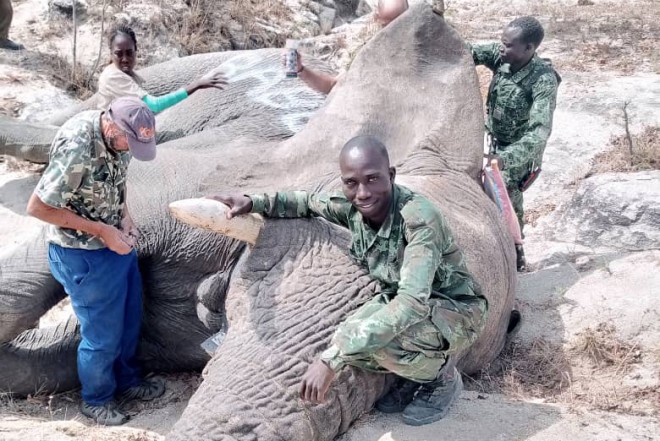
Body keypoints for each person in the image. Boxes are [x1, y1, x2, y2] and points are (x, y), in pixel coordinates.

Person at [208, 135, 487, 426]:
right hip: (401, 300)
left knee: (371, 344)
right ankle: (414, 373)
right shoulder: (353, 208)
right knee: (352, 334)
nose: (363, 193)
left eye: (372, 179)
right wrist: (254, 201)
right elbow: (306, 203)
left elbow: (411, 304)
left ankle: (441, 378)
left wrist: (332, 359)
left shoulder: (418, 220)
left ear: (390, 176)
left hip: (454, 308)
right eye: (351, 183)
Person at [26, 97, 164, 426]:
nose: (130, 150)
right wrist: (101, 231)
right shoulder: (77, 147)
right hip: (82, 255)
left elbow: (117, 181)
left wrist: (125, 218)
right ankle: (96, 399)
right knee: (102, 337)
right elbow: (38, 207)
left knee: (130, 320)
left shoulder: (119, 142)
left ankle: (128, 381)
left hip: (115, 244)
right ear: (111, 126)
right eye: (128, 143)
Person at [469, 16, 561, 271]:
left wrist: (505, 158)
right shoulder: (502, 57)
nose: (502, 48)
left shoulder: (543, 80)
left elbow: (539, 133)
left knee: (505, 190)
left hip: (520, 154)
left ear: (529, 49)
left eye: (509, 45)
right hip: (494, 141)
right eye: (502, 42)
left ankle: (516, 254)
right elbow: (466, 51)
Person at [96, 24, 227, 112]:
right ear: (111, 54)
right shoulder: (114, 76)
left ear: (136, 50)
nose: (124, 59)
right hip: (114, 146)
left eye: (129, 53)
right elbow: (155, 105)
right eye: (119, 54)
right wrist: (197, 85)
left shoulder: (122, 73)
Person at [290, 0, 409, 94]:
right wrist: (301, 70)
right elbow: (334, 85)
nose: (394, 30)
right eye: (388, 25)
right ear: (377, 18)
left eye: (401, 23)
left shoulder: (420, 46)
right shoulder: (366, 51)